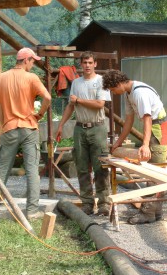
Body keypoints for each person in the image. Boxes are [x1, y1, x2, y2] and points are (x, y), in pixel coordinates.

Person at [0, 47, 51, 222]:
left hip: (9, 128)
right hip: (29, 128)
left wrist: (4, 122)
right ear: (26, 60)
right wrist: (40, 114)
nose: (33, 65)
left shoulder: (2, 78)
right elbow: (48, 98)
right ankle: (32, 212)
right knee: (32, 171)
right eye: (33, 61)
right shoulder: (31, 78)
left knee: (1, 170)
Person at [103, 69, 167, 224]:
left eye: (113, 89)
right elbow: (128, 121)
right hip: (154, 128)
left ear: (119, 83)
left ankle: (148, 213)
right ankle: (156, 212)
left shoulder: (139, 93)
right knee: (155, 171)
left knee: (153, 173)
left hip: (160, 129)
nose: (114, 93)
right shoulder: (129, 94)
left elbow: (147, 119)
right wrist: (118, 143)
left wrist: (146, 145)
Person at [56, 51, 111, 216]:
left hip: (97, 127)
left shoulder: (101, 81)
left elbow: (100, 104)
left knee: (101, 166)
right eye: (84, 62)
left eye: (90, 62)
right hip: (80, 128)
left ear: (95, 64)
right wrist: (60, 126)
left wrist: (78, 100)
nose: (87, 65)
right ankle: (87, 203)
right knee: (81, 167)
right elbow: (70, 106)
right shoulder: (76, 83)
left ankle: (104, 204)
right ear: (81, 65)